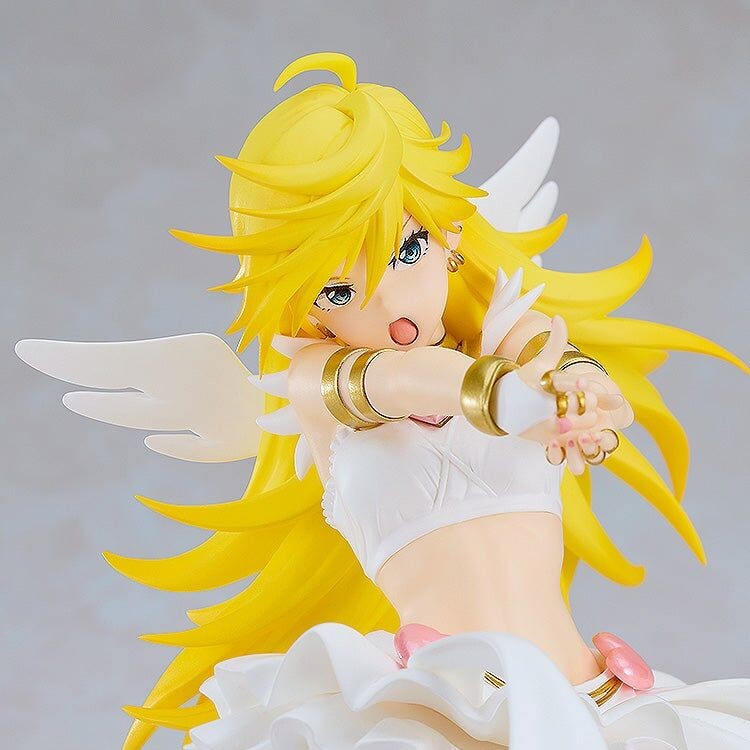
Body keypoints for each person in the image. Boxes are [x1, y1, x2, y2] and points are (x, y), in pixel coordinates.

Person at [16, 52, 749, 750]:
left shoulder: (506, 335)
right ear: (301, 305)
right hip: (435, 717)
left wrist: (586, 394)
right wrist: (513, 399)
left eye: (405, 251)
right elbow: (401, 381)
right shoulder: (316, 383)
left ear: (450, 232)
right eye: (338, 290)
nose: (391, 309)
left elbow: (556, 360)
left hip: (600, 706)